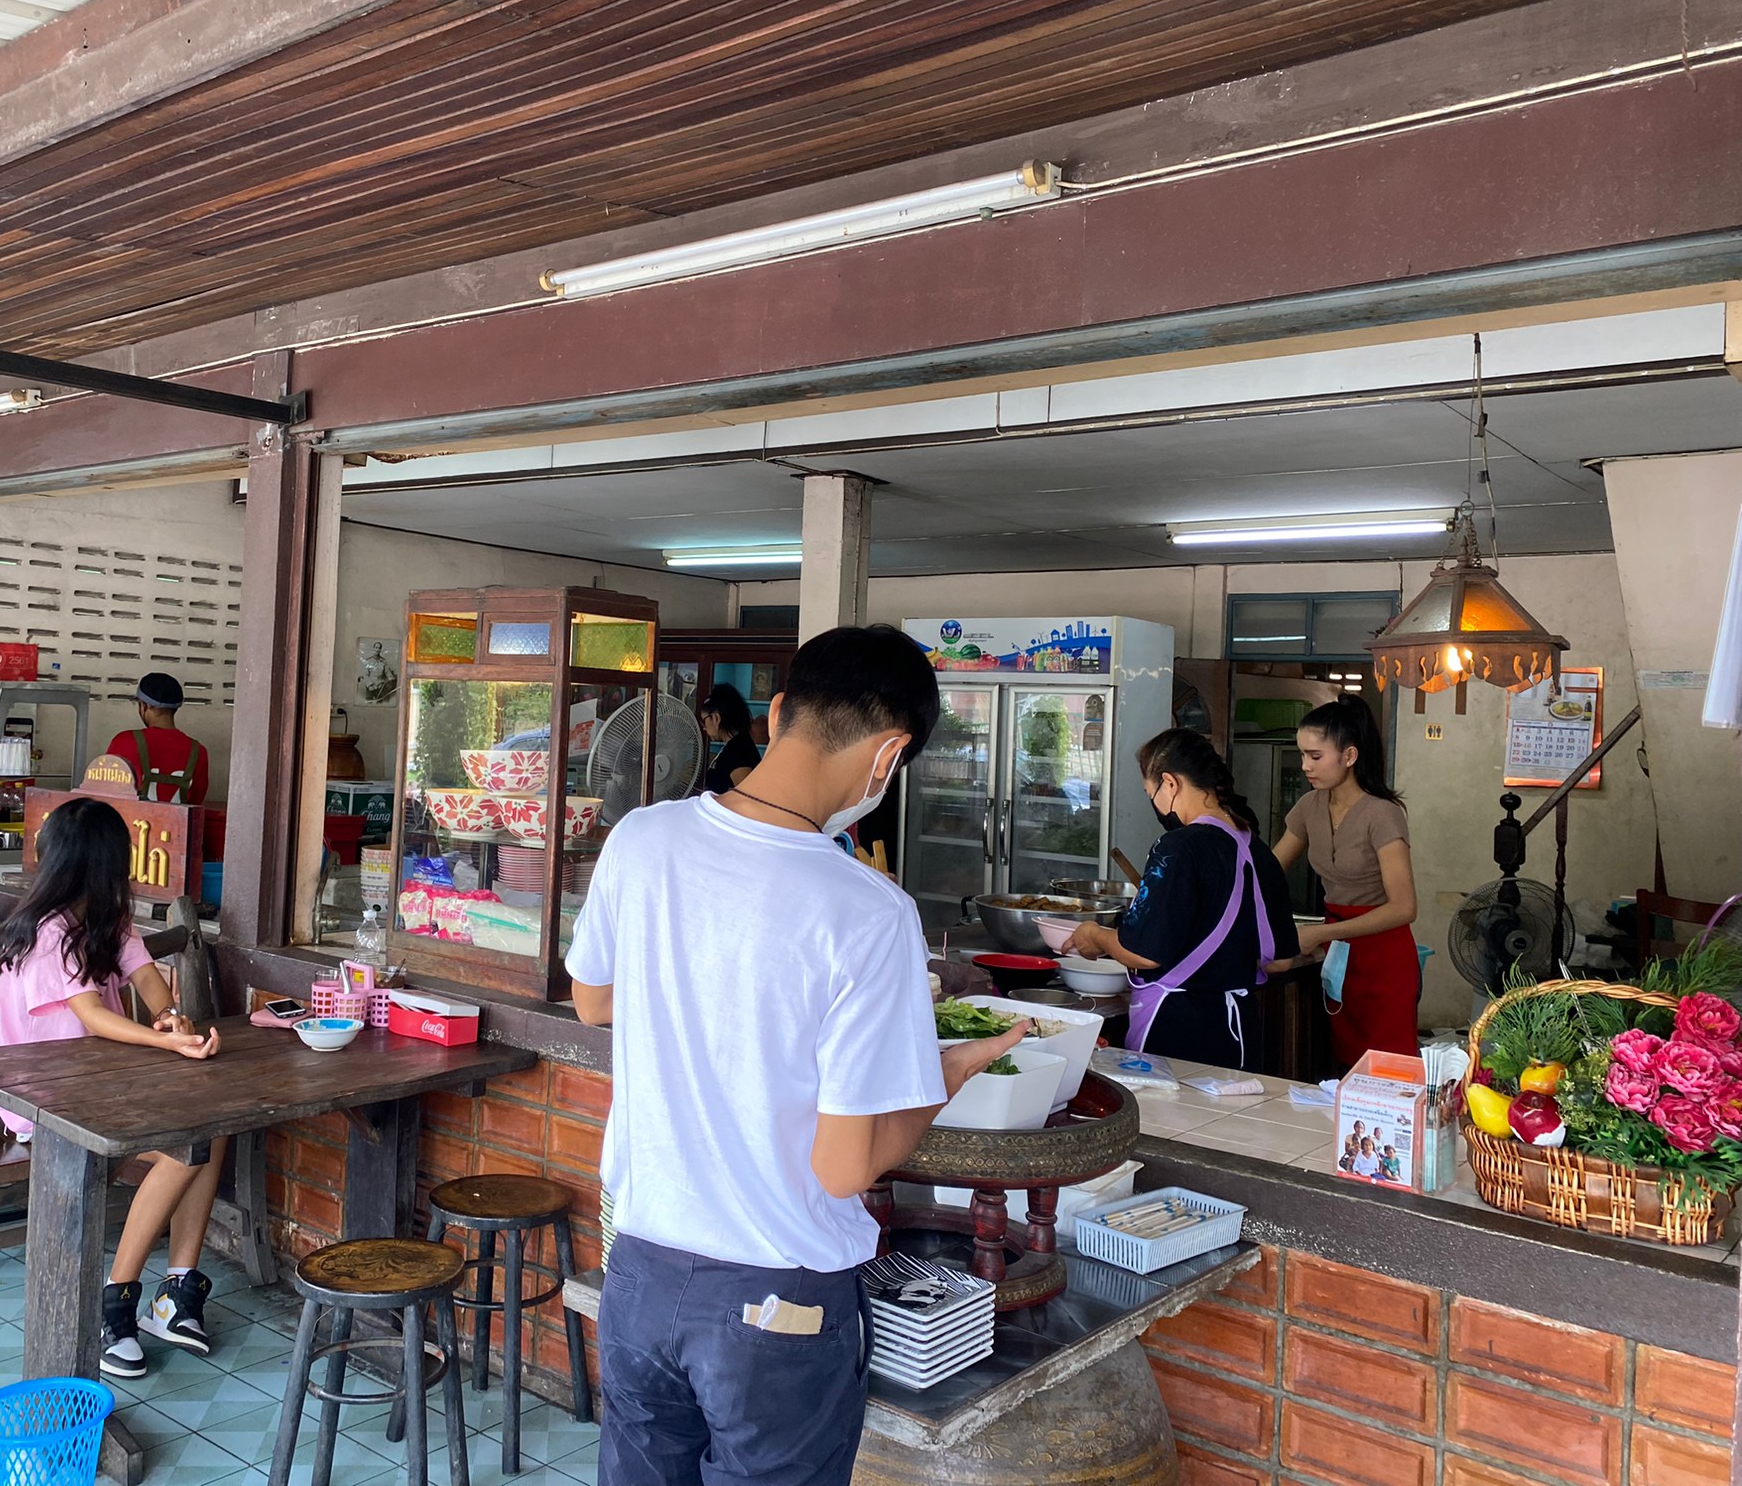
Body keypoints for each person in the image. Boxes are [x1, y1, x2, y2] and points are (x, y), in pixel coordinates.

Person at [569, 624, 1023, 1486]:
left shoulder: (643, 838)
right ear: (890, 755)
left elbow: (594, 999)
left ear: (777, 712)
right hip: (777, 1299)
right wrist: (946, 1074)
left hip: (640, 1272)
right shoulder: (866, 912)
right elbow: (845, 1166)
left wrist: (707, 996)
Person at [0, 796, 223, 1379]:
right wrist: (167, 1044)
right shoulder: (46, 932)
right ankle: (113, 1303)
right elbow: (92, 1016)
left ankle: (173, 1296)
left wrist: (170, 1016)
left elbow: (146, 977)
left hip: (99, 1087)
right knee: (180, 1147)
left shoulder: (103, 921)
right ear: (102, 866)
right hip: (43, 1101)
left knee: (210, 1133)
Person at [1064, 729, 1298, 1070]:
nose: (1154, 804)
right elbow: (1279, 961)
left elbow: (1143, 953)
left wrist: (1094, 934)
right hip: (1241, 1033)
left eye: (1151, 792)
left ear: (1169, 783)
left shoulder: (1177, 847)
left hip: (1177, 1031)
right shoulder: (1258, 850)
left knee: (1171, 1123)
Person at [1273, 695, 1419, 1072]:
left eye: (1315, 756)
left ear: (1349, 756)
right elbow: (1268, 873)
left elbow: (1404, 908)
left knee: (1388, 1068)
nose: (1305, 765)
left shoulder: (1382, 814)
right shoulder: (1309, 807)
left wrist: (1321, 934)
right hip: (1338, 952)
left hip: (1384, 958)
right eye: (1302, 755)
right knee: (1341, 1063)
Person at [104, 672, 210, 804]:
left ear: (144, 705)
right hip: (177, 824)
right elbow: (195, 804)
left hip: (129, 823)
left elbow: (105, 795)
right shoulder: (199, 752)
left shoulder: (124, 741)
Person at [698, 683, 761, 795]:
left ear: (716, 718)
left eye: (704, 721)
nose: (704, 728)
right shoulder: (735, 746)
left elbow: (745, 798)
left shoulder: (738, 751)